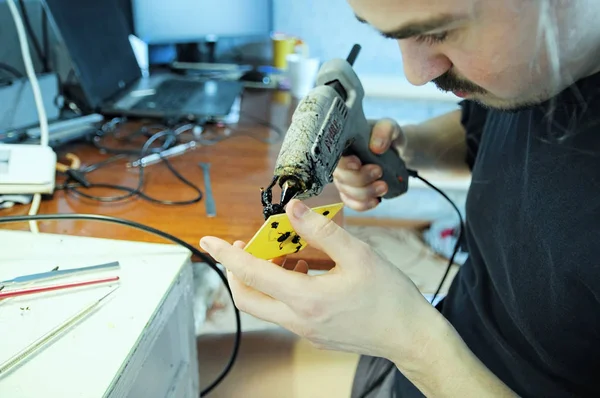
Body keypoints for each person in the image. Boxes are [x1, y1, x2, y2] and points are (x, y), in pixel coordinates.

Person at [200, 0, 600, 396]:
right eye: (391, 34)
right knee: (184, 367)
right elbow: (484, 129)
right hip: (438, 338)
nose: (415, 74)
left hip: (435, 361)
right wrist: (406, 147)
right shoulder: (539, 71)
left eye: (439, 31)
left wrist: (408, 341)